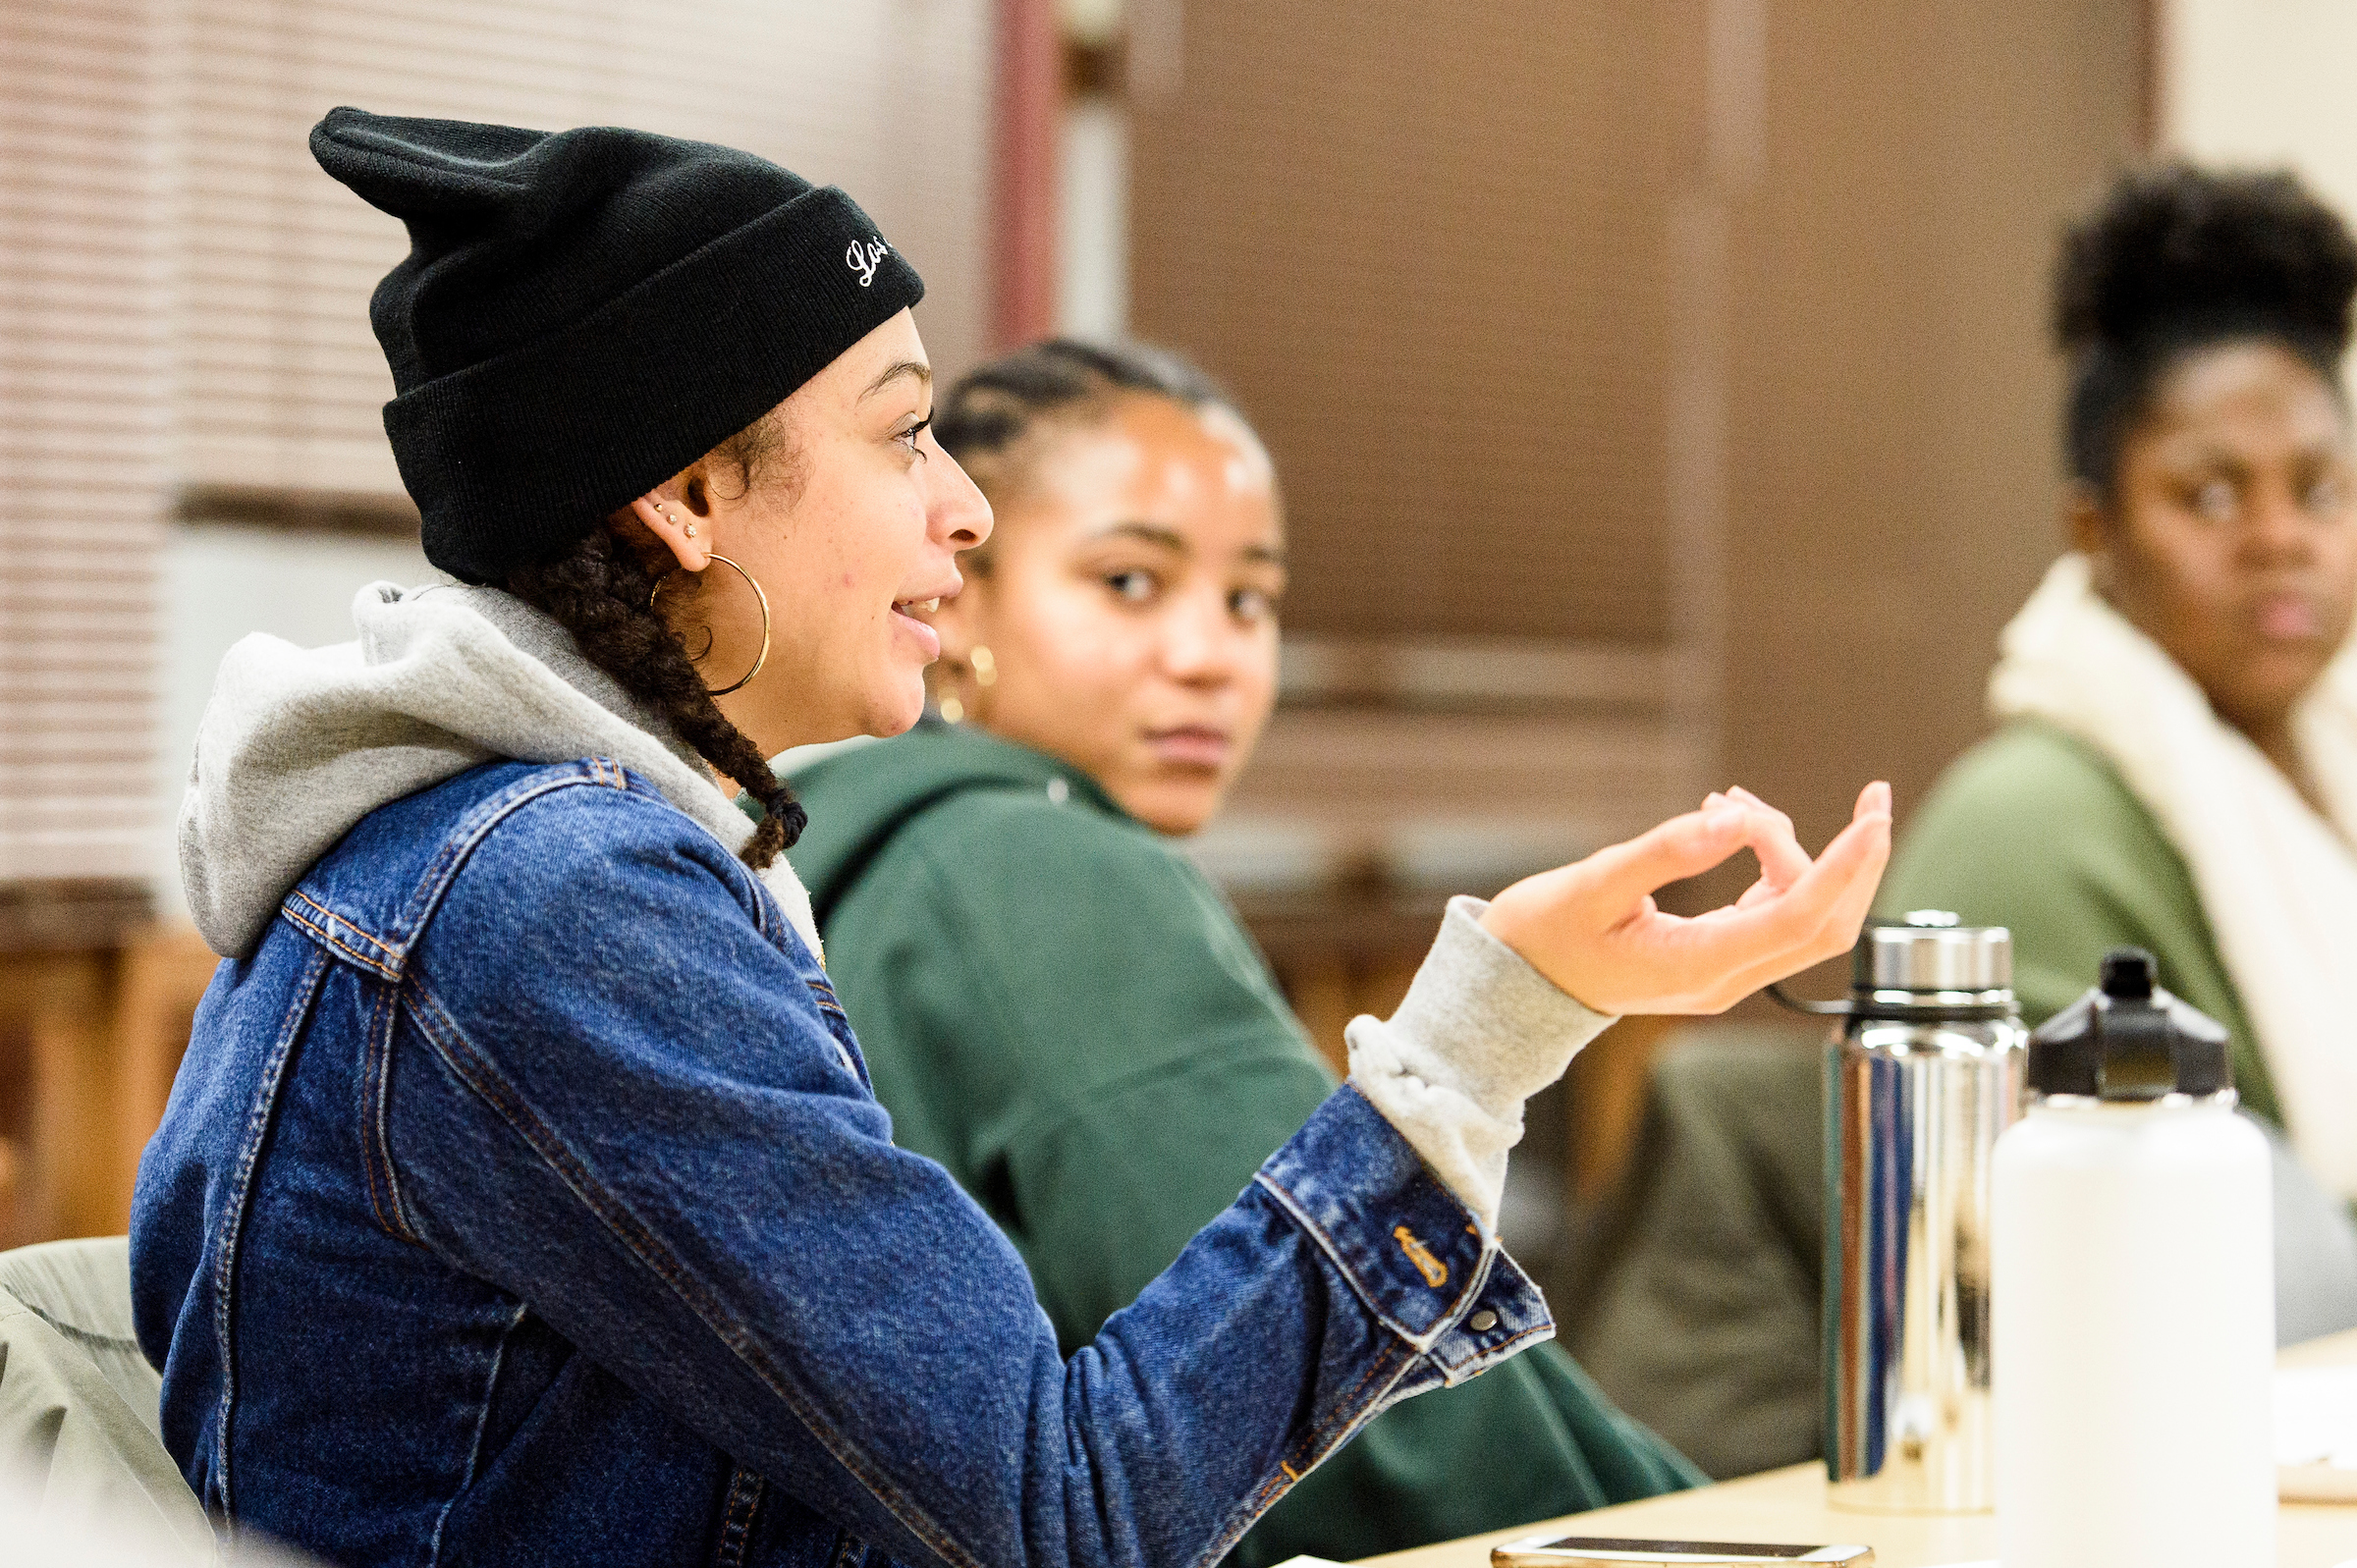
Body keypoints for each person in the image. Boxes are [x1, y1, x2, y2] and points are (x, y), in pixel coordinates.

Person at [129, 109, 1891, 1566]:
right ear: (683, 499)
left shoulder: (509, 856)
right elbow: (1070, 1511)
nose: (963, 508)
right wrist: (1488, 1024)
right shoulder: (557, 904)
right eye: (904, 440)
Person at [782, 341, 1704, 1567]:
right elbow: (1357, 1385)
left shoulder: (841, 853)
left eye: (1249, 600)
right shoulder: (1042, 870)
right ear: (964, 596)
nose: (1211, 653)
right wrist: (1702, 1527)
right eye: (1127, 581)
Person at [1568, 163, 2357, 1482]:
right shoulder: (2036, 813)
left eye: (2320, 490)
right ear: (2092, 526)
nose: (2280, 540)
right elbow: (2086, 1273)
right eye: (2212, 495)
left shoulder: (2316, 771)